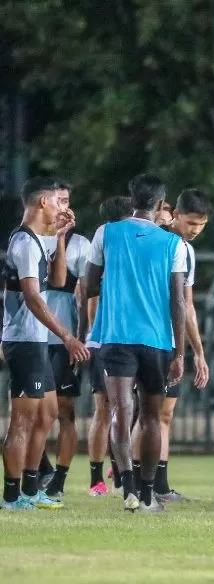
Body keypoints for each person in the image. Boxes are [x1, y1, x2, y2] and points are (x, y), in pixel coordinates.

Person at [86, 174, 187, 513]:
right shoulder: (175, 244)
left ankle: (127, 487)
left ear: (131, 199)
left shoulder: (106, 233)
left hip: (115, 336)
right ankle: (147, 495)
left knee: (119, 411)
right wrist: (181, 353)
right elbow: (178, 302)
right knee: (151, 416)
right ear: (161, 205)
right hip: (157, 340)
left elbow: (88, 285)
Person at [2, 177, 90, 510]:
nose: (62, 208)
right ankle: (12, 496)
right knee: (22, 419)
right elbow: (35, 299)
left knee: (48, 414)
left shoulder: (42, 240)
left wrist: (61, 237)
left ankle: (29, 487)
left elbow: (56, 281)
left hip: (38, 339)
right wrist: (67, 337)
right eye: (59, 201)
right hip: (25, 340)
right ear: (43, 203)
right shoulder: (24, 243)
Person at [130, 188, 212, 502]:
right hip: (148, 339)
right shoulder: (159, 242)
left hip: (168, 341)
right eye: (191, 223)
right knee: (145, 413)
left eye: (201, 225)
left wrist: (197, 352)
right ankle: (137, 481)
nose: (195, 230)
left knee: (163, 414)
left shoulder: (185, 250)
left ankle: (158, 484)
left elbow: (187, 306)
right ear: (174, 215)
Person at [37, 181, 92, 499]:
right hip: (33, 338)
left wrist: (81, 337)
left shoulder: (81, 245)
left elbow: (85, 296)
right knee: (30, 410)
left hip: (64, 339)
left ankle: (59, 477)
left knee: (65, 410)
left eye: (67, 200)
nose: (63, 206)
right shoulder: (30, 239)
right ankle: (39, 470)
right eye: (58, 200)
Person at [86, 196, 134, 496]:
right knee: (105, 409)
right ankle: (96, 479)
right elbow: (90, 297)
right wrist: (94, 337)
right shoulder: (107, 249)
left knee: (125, 409)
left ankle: (118, 471)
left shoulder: (125, 252)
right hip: (106, 339)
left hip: (126, 338)